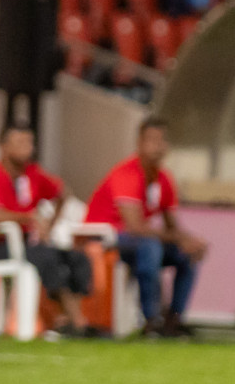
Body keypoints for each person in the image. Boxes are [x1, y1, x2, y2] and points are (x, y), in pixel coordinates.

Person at [85, 118, 207, 338]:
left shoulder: (164, 179)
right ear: (139, 143)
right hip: (105, 238)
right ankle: (151, 320)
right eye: (152, 141)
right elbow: (134, 227)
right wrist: (178, 237)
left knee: (186, 254)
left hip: (137, 241)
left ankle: (174, 320)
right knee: (151, 246)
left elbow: (171, 225)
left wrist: (189, 240)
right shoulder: (127, 173)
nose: (158, 147)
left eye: (162, 141)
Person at [0, 125, 99, 337]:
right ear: (3, 147)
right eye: (20, 143)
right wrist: (30, 218)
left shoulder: (32, 174)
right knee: (47, 257)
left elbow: (63, 192)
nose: (27, 148)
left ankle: (67, 320)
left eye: (29, 143)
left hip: (25, 245)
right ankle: (78, 324)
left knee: (77, 258)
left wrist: (50, 224)